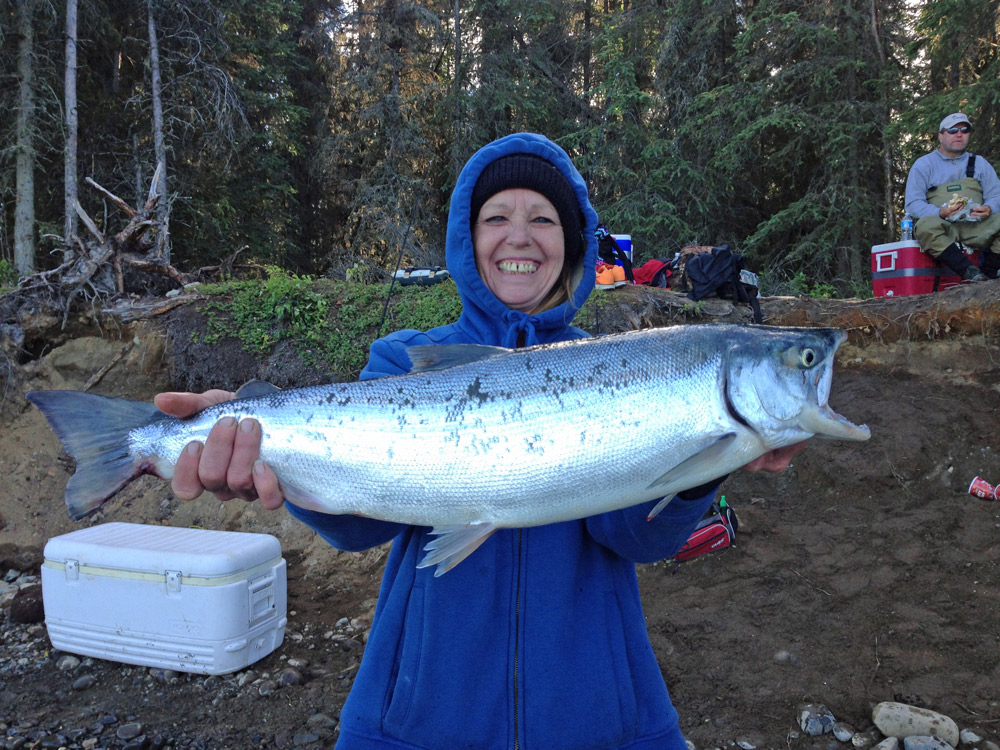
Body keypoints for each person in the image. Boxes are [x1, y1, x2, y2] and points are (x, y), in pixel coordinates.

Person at [154, 133, 804, 750]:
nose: (519, 235)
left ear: (575, 249)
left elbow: (637, 537)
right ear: (468, 242)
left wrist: (716, 456)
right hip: (417, 717)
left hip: (600, 719)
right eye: (497, 217)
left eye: (544, 219)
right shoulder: (403, 359)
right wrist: (258, 447)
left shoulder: (620, 369)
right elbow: (357, 530)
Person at [904, 112, 1000, 282]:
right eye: (953, 130)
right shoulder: (924, 165)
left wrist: (989, 208)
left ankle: (990, 272)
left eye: (964, 130)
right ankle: (969, 272)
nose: (959, 134)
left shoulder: (979, 163)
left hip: (977, 226)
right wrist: (940, 212)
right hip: (944, 227)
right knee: (924, 226)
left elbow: (995, 194)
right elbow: (913, 203)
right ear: (941, 136)